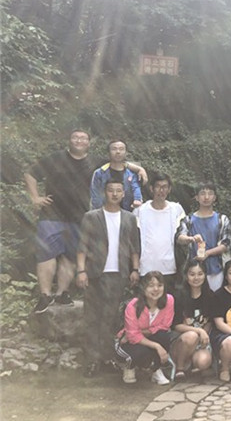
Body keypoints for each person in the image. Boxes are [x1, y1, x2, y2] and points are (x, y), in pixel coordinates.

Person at [25, 129, 147, 314]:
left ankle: (62, 293)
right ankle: (44, 295)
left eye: (83, 138)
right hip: (51, 214)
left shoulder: (96, 162)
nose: (79, 140)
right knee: (46, 255)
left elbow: (118, 162)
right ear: (69, 140)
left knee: (70, 256)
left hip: (79, 216)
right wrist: (35, 197)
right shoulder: (56, 158)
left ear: (89, 142)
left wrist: (139, 169)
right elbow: (30, 173)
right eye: (75, 137)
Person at [76, 178, 140, 378]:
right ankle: (92, 360)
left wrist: (135, 269)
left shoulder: (129, 218)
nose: (114, 194)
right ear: (105, 192)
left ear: (123, 194)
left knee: (110, 318)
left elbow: (135, 246)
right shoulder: (91, 217)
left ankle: (107, 358)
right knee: (92, 317)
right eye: (111, 190)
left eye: (118, 190)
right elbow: (82, 245)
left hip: (118, 274)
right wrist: (81, 271)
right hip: (95, 273)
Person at [115, 271, 174, 385]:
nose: (156, 289)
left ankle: (156, 369)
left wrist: (141, 332)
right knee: (140, 352)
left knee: (163, 336)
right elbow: (132, 336)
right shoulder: (133, 306)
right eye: (151, 286)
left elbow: (165, 325)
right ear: (143, 288)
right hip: (129, 342)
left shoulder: (169, 300)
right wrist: (156, 346)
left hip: (141, 336)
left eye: (159, 285)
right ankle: (129, 366)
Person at [135, 173, 186, 294]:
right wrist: (135, 268)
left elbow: (182, 233)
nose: (161, 190)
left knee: (168, 302)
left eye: (165, 187)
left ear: (169, 189)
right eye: (158, 186)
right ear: (151, 188)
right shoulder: (140, 211)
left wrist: (188, 239)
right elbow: (134, 241)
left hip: (170, 268)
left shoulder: (176, 209)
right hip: (146, 268)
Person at [177, 182, 231, 291]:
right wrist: (191, 239)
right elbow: (179, 237)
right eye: (202, 193)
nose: (206, 197)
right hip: (193, 271)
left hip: (215, 269)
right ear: (197, 197)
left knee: (214, 298)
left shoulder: (222, 219)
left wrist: (207, 253)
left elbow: (226, 244)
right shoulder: (189, 220)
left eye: (210, 194)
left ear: (214, 198)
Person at [170, 259, 215, 380]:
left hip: (200, 341)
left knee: (203, 361)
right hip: (181, 340)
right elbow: (176, 325)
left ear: (205, 275)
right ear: (186, 275)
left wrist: (204, 334)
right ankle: (180, 368)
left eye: (200, 274)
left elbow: (210, 321)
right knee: (191, 336)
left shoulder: (210, 296)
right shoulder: (178, 296)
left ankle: (190, 364)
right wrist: (199, 331)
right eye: (192, 274)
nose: (196, 278)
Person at [90, 139, 142, 211]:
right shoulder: (100, 173)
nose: (118, 152)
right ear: (108, 152)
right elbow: (96, 196)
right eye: (114, 149)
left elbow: (136, 188)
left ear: (126, 152)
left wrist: (137, 199)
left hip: (127, 213)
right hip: (105, 213)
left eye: (121, 149)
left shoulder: (132, 173)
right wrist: (99, 213)